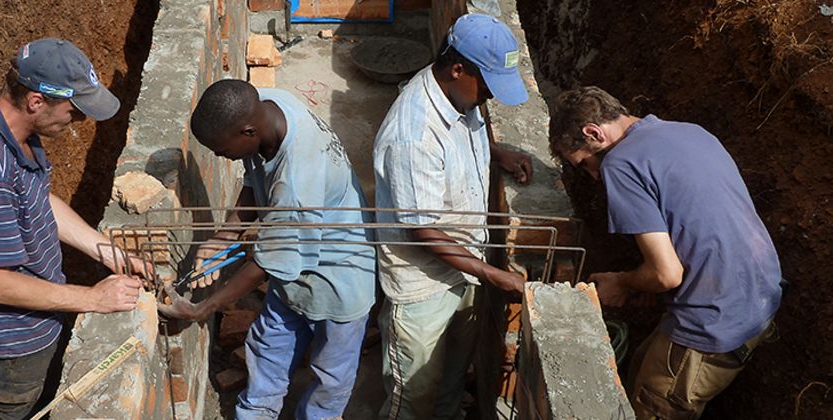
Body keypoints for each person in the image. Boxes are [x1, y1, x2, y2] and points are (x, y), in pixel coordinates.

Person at [0, 38, 149, 419]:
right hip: (15, 343)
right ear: (36, 101)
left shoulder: (2, 125)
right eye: (74, 110)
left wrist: (111, 252)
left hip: (37, 317)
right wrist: (93, 299)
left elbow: (39, 201)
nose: (80, 121)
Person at [547, 86, 782, 418]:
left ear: (593, 133)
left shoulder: (619, 163)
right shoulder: (689, 133)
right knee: (639, 368)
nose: (594, 176)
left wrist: (623, 283)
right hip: (759, 301)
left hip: (713, 322)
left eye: (584, 163)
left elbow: (666, 273)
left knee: (652, 404)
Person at [157, 79, 376, 419]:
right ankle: (256, 413)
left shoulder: (296, 183)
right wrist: (226, 234)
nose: (220, 157)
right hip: (293, 264)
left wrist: (206, 307)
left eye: (222, 151)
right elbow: (256, 176)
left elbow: (265, 262)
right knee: (268, 346)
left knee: (331, 375)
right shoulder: (269, 105)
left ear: (247, 132)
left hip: (340, 280)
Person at [373, 13, 533, 419]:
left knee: (449, 383)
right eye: (488, 86)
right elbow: (421, 230)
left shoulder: (460, 96)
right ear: (457, 67)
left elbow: (463, 140)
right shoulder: (413, 135)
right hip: (422, 286)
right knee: (412, 397)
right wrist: (494, 275)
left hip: (464, 268)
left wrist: (499, 155)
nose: (490, 98)